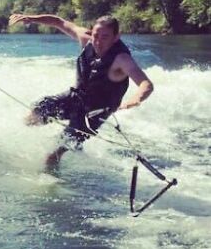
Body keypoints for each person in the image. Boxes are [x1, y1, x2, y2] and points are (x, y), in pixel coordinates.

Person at [8, 13, 154, 169]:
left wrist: (136, 99)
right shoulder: (86, 39)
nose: (98, 42)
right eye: (96, 35)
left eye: (105, 37)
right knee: (39, 109)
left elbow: (146, 84)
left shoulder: (122, 59)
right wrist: (31, 18)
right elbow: (59, 22)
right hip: (76, 98)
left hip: (94, 113)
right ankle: (12, 142)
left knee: (54, 152)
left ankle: (49, 179)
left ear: (116, 37)